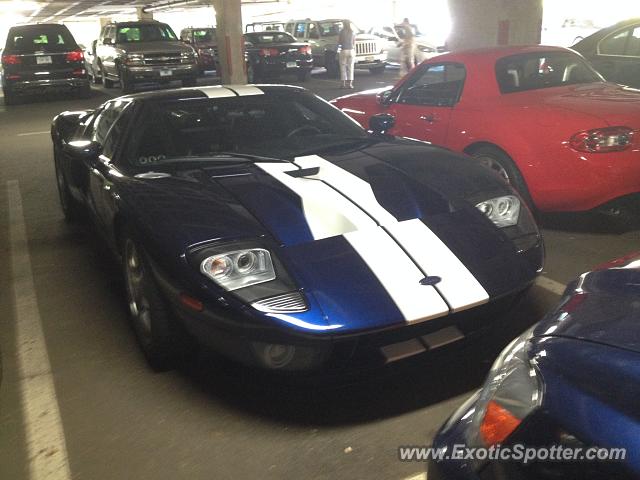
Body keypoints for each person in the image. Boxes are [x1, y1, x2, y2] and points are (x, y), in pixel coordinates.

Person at [338, 21, 356, 89]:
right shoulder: (352, 31)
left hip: (344, 50)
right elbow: (354, 41)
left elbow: (340, 41)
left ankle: (343, 84)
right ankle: (350, 84)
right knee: (350, 67)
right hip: (351, 50)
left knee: (343, 67)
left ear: (343, 24)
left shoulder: (342, 31)